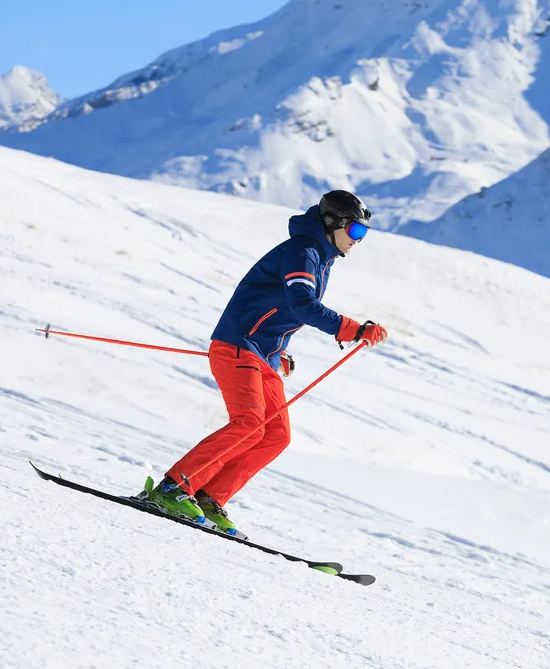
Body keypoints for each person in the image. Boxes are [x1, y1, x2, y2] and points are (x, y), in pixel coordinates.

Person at [140, 190, 388, 538]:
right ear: (334, 224)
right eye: (356, 232)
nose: (358, 241)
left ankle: (209, 497)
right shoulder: (303, 251)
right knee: (249, 424)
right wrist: (354, 328)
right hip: (238, 345)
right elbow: (302, 304)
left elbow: (277, 306)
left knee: (276, 435)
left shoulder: (320, 256)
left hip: (262, 354)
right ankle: (173, 488)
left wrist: (279, 349)